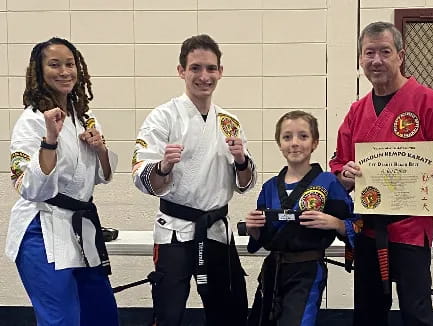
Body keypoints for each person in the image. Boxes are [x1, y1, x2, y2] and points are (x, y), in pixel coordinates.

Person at [329, 22, 433, 326]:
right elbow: (339, 165)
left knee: (416, 311)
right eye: (369, 53)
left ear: (400, 56)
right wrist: (345, 175)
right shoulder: (357, 111)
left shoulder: (430, 102)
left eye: (385, 52)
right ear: (360, 59)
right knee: (368, 313)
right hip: (367, 228)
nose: (377, 60)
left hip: (410, 227)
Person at [132, 34, 257, 326]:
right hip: (175, 231)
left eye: (211, 68)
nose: (204, 76)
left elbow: (245, 183)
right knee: (168, 312)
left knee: (230, 310)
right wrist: (162, 167)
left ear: (220, 72)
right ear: (181, 71)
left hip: (215, 230)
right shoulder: (162, 117)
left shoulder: (229, 122)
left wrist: (241, 162)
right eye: (196, 68)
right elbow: (139, 174)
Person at [5, 37, 119, 326]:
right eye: (54, 65)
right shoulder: (31, 121)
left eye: (70, 64)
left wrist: (101, 149)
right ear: (39, 72)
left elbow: (102, 177)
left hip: (81, 226)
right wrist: (50, 140)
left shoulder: (85, 117)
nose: (64, 71)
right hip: (40, 229)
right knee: (62, 320)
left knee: (102, 315)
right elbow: (29, 187)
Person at [246, 111, 360, 326]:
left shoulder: (327, 183)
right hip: (273, 269)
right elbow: (262, 237)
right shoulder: (270, 187)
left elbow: (358, 224)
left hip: (307, 270)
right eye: (287, 137)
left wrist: (336, 224)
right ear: (279, 143)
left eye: (303, 136)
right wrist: (254, 229)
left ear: (315, 143)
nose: (295, 143)